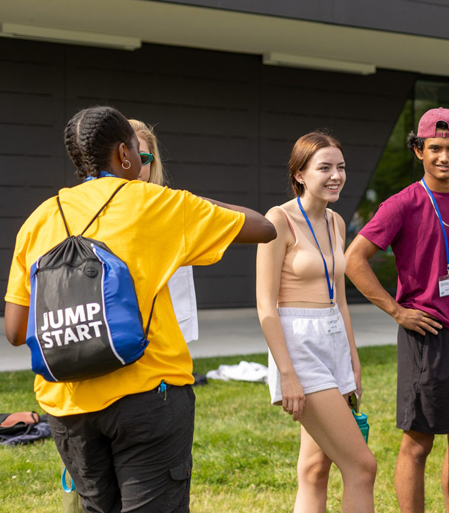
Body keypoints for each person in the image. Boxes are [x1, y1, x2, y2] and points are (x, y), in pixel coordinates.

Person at [4, 105, 276, 513]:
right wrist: (180, 201)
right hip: (150, 394)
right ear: (124, 154)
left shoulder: (39, 219)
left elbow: (14, 329)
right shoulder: (156, 204)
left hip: (67, 404)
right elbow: (262, 227)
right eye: (137, 151)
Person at [345, 108, 449, 513]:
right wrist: (397, 311)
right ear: (419, 150)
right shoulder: (402, 203)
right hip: (425, 337)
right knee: (418, 443)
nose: (444, 157)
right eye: (435, 148)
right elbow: (354, 259)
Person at [256, 130, 376, 513]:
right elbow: (265, 305)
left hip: (333, 339)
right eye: (324, 167)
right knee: (362, 467)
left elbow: (340, 300)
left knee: (314, 468)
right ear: (300, 174)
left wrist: (352, 359)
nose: (335, 175)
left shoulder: (337, 222)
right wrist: (287, 374)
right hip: (299, 344)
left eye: (341, 167)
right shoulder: (278, 219)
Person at [129, 119, 200, 344]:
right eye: (127, 157)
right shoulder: (93, 212)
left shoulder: (174, 209)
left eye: (143, 159)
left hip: (167, 339)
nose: (136, 167)